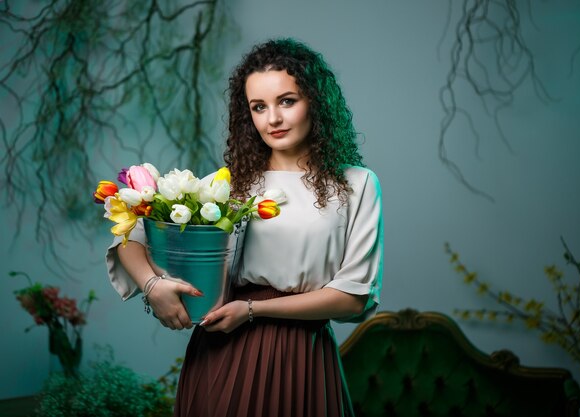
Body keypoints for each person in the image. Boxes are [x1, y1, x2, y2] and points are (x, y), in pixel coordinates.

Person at [106, 38, 383, 417]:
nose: (273, 119)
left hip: (303, 354)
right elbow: (133, 235)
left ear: (315, 102)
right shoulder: (230, 185)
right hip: (223, 352)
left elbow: (353, 297)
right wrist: (153, 286)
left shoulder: (357, 184)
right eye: (259, 107)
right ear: (247, 114)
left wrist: (253, 309)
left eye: (287, 101)